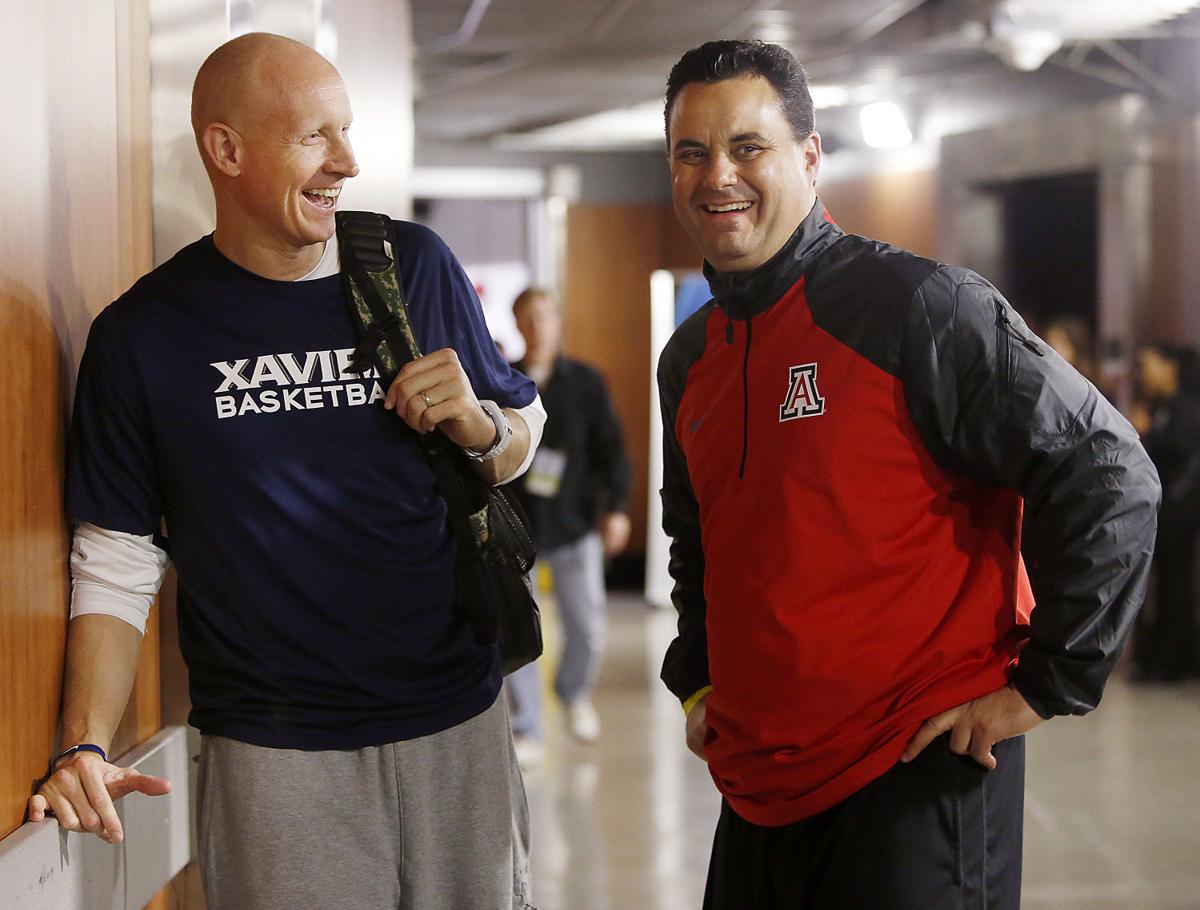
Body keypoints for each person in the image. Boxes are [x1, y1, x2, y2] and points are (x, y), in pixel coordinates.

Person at [26, 32, 544, 910]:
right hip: (274, 752)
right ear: (226, 150)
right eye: (314, 136)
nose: (347, 161)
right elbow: (114, 563)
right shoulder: (144, 336)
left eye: (346, 131)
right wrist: (84, 744)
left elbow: (519, 431)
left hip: (457, 721)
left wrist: (481, 425)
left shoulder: (412, 267)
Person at [655, 39, 1159, 909]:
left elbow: (1107, 470)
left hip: (915, 778)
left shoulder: (917, 307)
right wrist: (698, 676)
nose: (717, 176)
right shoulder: (690, 356)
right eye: (691, 153)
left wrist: (1045, 686)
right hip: (759, 787)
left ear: (809, 157)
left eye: (747, 147)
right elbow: (697, 536)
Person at [505, 287, 632, 764]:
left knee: (587, 625)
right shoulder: (503, 380)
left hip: (574, 523)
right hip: (519, 527)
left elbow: (611, 450)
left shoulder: (585, 382)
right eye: (528, 318)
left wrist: (617, 508)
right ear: (518, 325)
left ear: (558, 321)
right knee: (520, 629)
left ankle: (573, 693)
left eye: (545, 317)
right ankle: (528, 725)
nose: (538, 327)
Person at [1129, 343, 1200, 681]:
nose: (1142, 374)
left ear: (1170, 367)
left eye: (1148, 365)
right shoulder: (1162, 407)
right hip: (1166, 513)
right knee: (1164, 586)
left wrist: (1145, 433)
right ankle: (1159, 658)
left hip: (1179, 513)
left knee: (1175, 585)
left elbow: (1177, 455)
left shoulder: (1184, 409)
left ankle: (1173, 661)